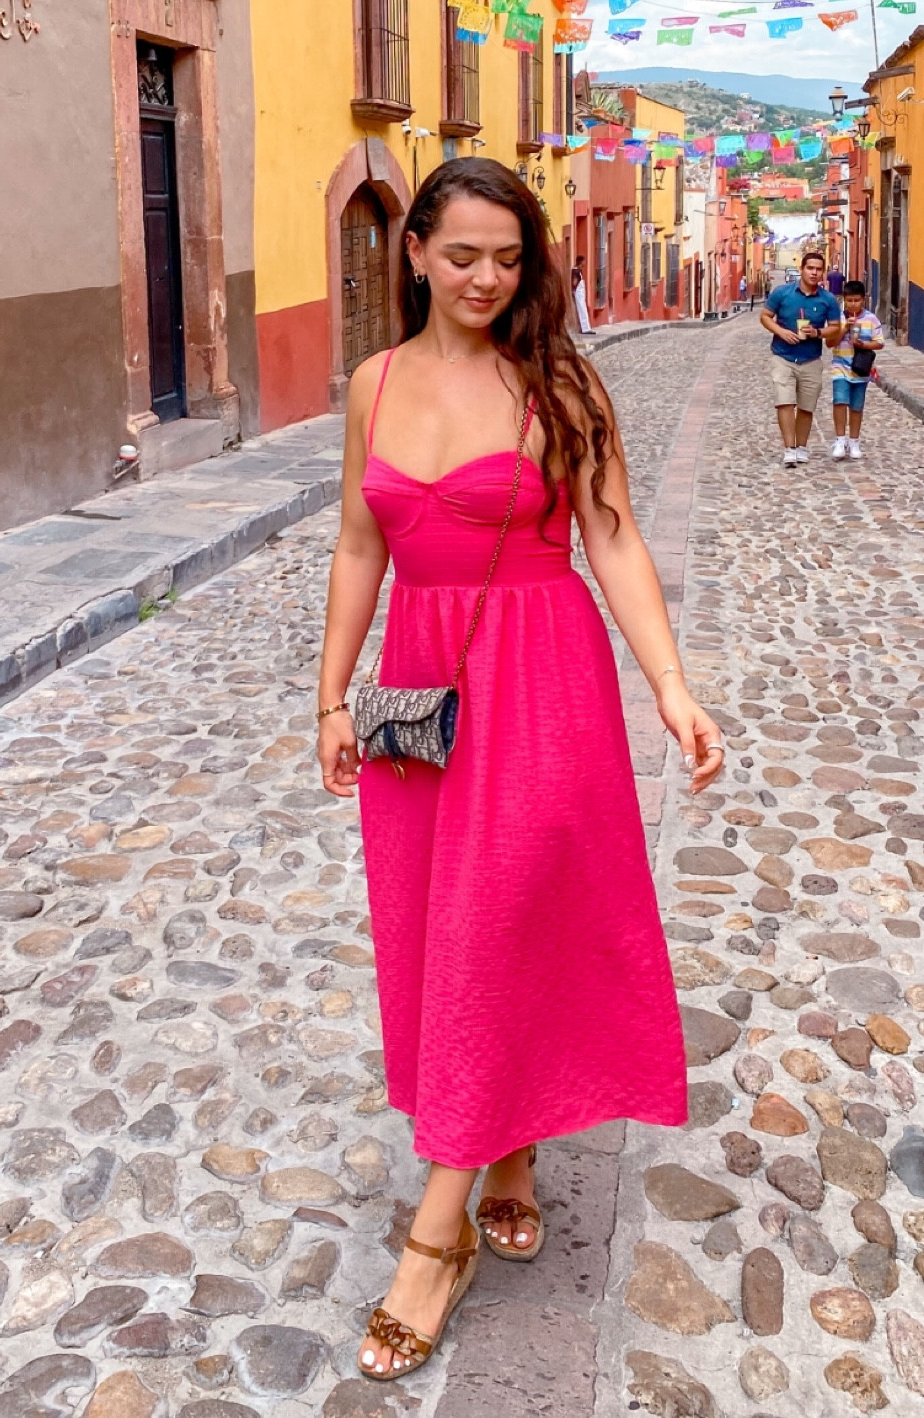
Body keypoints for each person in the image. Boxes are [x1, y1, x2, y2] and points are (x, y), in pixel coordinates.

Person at [317, 158, 725, 1383]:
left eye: (509, 256)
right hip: (417, 692)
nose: (488, 277)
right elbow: (356, 538)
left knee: (499, 924)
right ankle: (506, 1149)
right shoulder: (372, 384)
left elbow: (612, 533)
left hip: (543, 683)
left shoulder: (559, 380)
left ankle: (433, 1242)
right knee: (439, 930)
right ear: (417, 254)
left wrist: (668, 681)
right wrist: (331, 693)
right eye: (463, 255)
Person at [760, 250, 842, 468]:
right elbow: (765, 317)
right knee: (784, 402)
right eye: (810, 268)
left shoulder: (828, 300)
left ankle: (801, 447)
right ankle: (789, 449)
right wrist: (781, 332)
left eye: (818, 269)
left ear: (822, 272)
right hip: (783, 356)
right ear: (802, 269)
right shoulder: (782, 293)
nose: (814, 273)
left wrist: (818, 333)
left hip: (811, 359)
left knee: (807, 406)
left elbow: (835, 328)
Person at [828, 278, 884, 461]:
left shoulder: (871, 319)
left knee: (856, 407)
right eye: (849, 300)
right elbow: (830, 343)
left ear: (863, 300)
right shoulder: (838, 319)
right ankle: (840, 439)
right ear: (844, 299)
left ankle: (854, 441)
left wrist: (864, 345)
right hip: (840, 367)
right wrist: (845, 328)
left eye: (856, 300)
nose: (853, 304)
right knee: (839, 401)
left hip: (860, 370)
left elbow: (879, 343)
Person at [572, 253, 593, 334]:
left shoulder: (578, 271)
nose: (585, 263)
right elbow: (574, 282)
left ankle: (585, 328)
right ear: (581, 262)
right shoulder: (576, 272)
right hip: (578, 293)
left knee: (583, 309)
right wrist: (574, 291)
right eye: (584, 261)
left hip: (580, 293)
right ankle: (585, 328)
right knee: (582, 310)